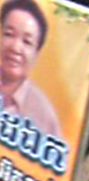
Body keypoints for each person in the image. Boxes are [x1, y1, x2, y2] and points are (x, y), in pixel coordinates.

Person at [0, 0, 61, 137]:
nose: (15, 47)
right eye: (9, 34)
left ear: (36, 53)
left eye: (27, 42)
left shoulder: (44, 116)